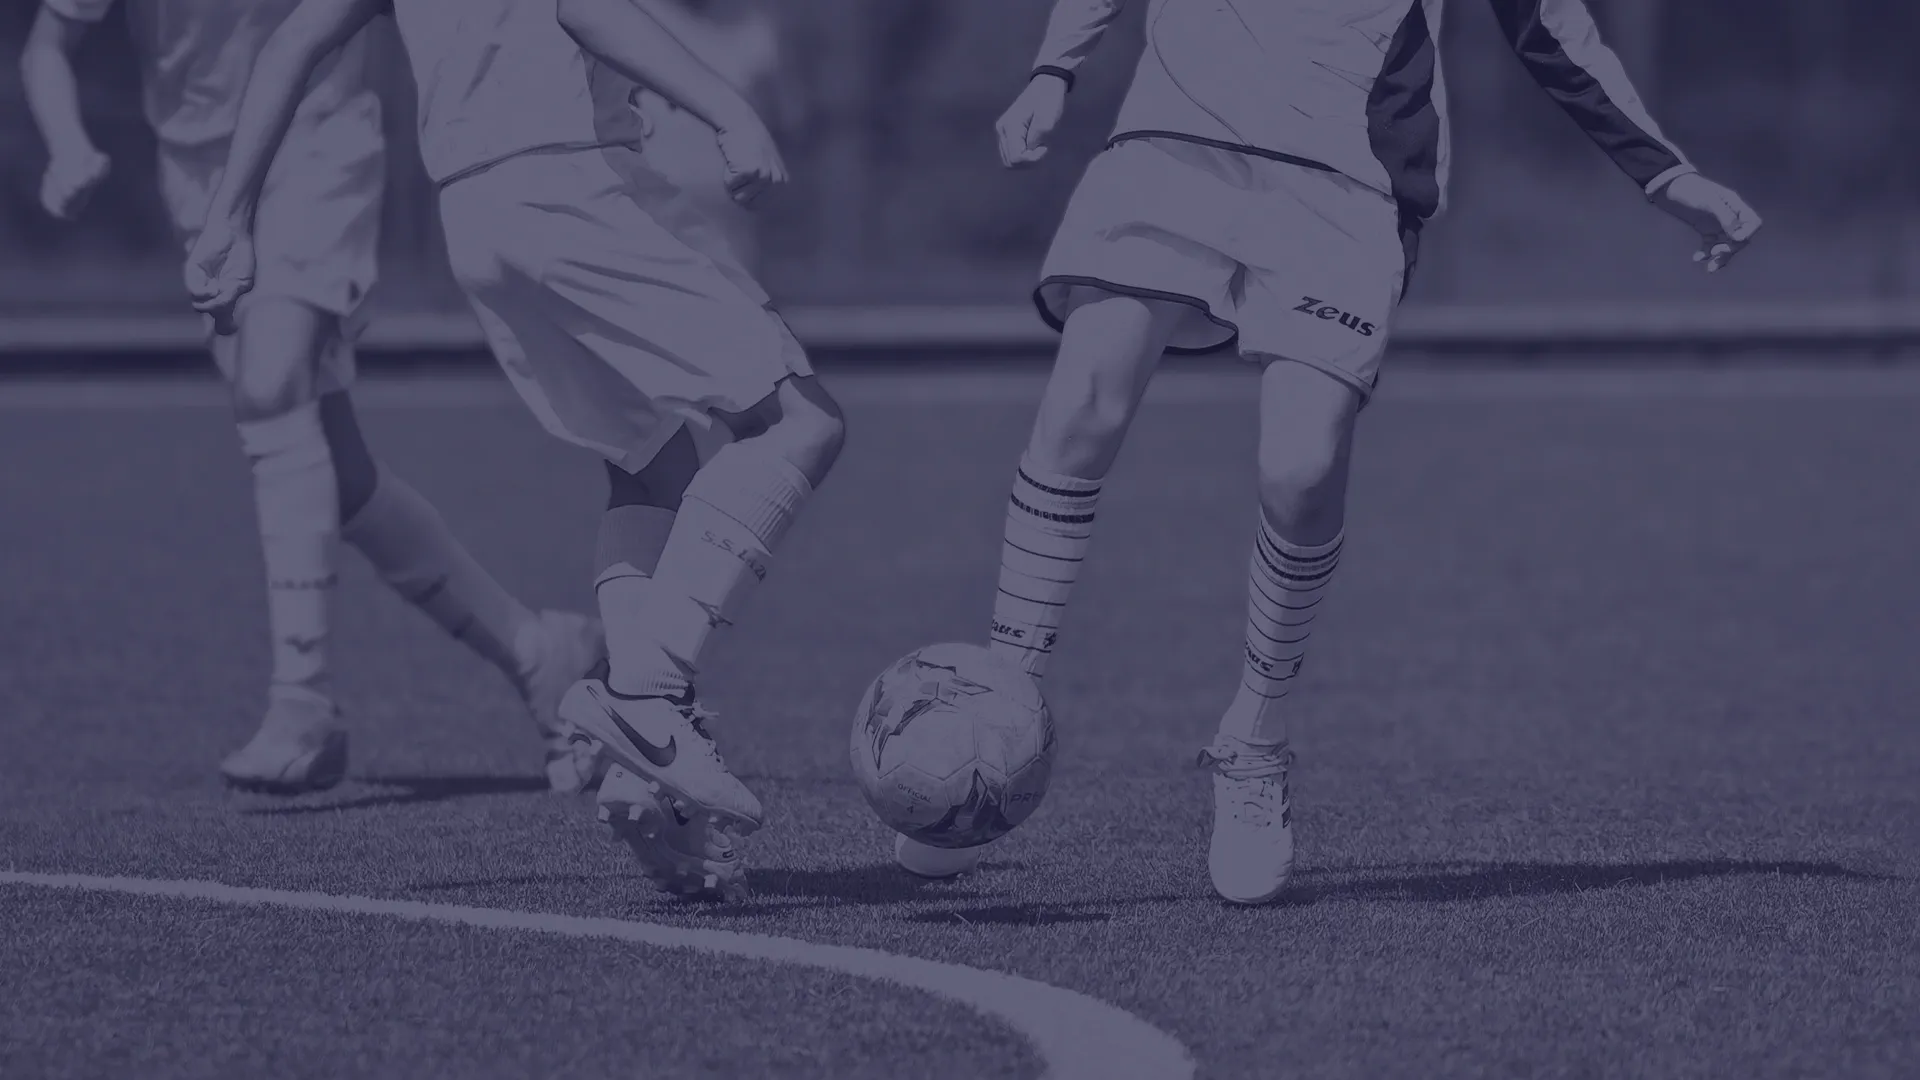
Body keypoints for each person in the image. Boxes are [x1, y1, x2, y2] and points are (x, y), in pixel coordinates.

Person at [897, 0, 1762, 902]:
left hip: (1350, 176)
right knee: (1081, 403)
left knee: (1301, 466)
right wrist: (1052, 69)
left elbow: (1547, 23)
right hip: (1177, 139)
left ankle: (1254, 744)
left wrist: (1667, 176)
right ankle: (990, 716)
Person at [183, 0, 844, 900]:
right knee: (800, 421)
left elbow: (296, 37)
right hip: (575, 185)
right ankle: (648, 699)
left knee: (651, 464)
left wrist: (227, 218)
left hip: (478, 219)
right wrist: (727, 107)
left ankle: (642, 772)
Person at [19, 0, 606, 796]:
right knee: (338, 473)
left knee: (271, 385)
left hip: (318, 144)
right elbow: (48, 47)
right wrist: (65, 147)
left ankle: (302, 703)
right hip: (199, 183)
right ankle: (538, 651)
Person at [629, 0, 787, 274]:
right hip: (653, 198)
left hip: (727, 203)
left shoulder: (752, 31)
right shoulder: (637, 15)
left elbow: (777, 118)